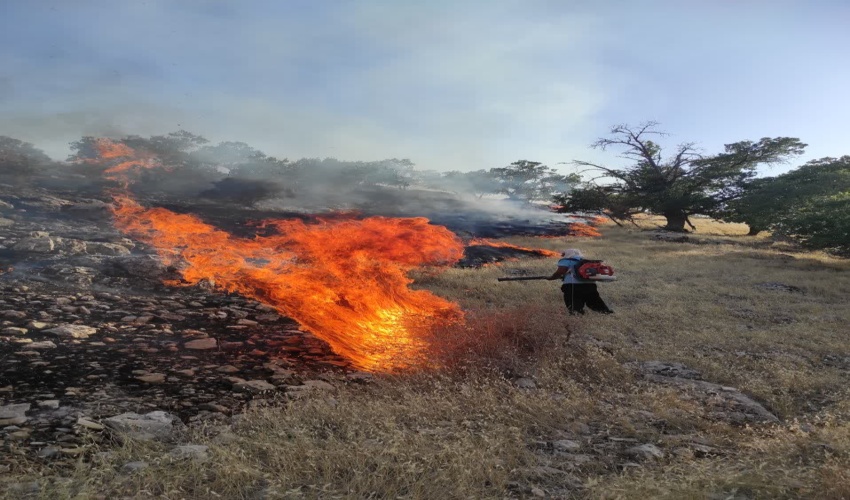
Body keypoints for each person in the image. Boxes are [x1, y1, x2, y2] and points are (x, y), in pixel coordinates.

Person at [547, 248, 613, 315]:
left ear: (568, 254)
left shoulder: (566, 260)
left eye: (564, 254)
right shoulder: (587, 262)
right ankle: (606, 312)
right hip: (590, 285)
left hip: (573, 285)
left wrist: (552, 277)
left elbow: (561, 271)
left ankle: (577, 315)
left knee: (574, 302)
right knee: (594, 300)